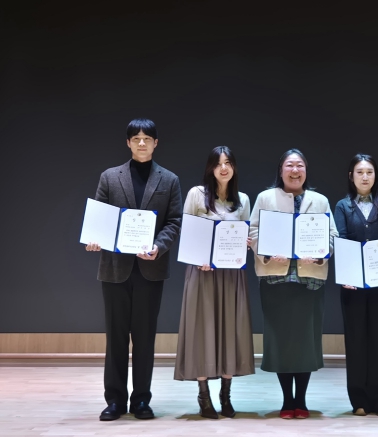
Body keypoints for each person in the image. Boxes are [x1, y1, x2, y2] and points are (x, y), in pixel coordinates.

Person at [85, 118, 182, 421]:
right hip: (115, 269)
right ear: (128, 143)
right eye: (136, 138)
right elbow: (100, 216)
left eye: (147, 138)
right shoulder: (110, 177)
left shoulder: (169, 180)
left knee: (145, 337)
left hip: (151, 268)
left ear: (156, 143)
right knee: (115, 337)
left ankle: (141, 400)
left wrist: (159, 246)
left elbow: (174, 221)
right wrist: (95, 238)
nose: (142, 143)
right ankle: (115, 400)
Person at [249, 149, 338, 420]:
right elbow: (253, 231)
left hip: (309, 280)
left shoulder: (320, 201)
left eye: (300, 166)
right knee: (281, 342)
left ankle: (302, 400)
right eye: (290, 165)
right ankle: (287, 400)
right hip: (275, 279)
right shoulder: (265, 198)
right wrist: (266, 252)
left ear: (306, 171)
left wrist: (320, 253)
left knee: (305, 342)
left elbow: (332, 235)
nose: (295, 170)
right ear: (281, 170)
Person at [174, 146, 254, 419]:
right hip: (202, 273)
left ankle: (226, 396)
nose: (224, 168)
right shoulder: (196, 194)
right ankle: (204, 396)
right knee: (202, 330)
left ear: (234, 167)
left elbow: (244, 237)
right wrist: (200, 258)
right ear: (210, 168)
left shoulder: (242, 199)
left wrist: (247, 242)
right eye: (218, 163)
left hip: (231, 275)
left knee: (230, 330)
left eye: (228, 162)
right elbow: (187, 233)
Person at [333, 154, 378, 417]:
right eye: (359, 172)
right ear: (351, 176)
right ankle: (358, 399)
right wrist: (346, 274)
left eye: (369, 172)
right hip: (353, 287)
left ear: (375, 175)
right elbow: (341, 240)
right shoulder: (342, 206)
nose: (365, 177)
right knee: (356, 341)